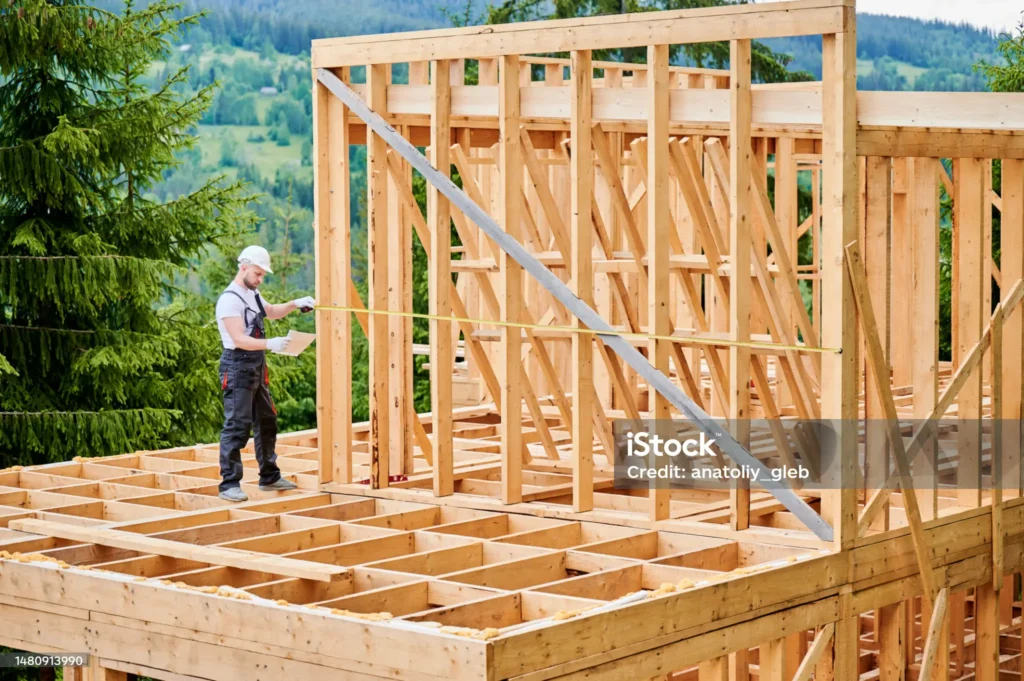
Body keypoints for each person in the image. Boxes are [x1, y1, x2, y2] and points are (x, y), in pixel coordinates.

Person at [214, 245, 316, 502]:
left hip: (256, 365)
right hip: (237, 366)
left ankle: (269, 476)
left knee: (267, 420)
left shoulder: (253, 294)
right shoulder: (229, 300)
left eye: (262, 276)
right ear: (244, 266)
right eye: (257, 274)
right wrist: (271, 344)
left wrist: (295, 304)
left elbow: (270, 312)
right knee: (237, 425)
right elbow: (238, 339)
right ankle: (229, 484)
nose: (260, 279)